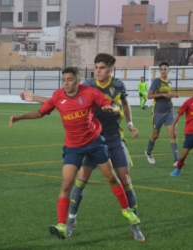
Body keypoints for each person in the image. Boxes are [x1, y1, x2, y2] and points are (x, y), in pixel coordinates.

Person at [21, 53, 144, 242]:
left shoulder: (118, 85)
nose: (98, 71)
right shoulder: (87, 85)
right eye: (96, 67)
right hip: (90, 139)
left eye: (101, 67)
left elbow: (124, 105)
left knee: (124, 180)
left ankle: (134, 226)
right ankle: (70, 221)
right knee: (80, 180)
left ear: (110, 69)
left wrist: (129, 123)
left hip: (113, 138)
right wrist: (34, 98)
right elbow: (60, 99)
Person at [145, 62, 179, 166]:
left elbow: (168, 95)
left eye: (165, 69)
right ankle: (148, 152)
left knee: (172, 134)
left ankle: (176, 161)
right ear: (160, 71)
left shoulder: (170, 82)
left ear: (168, 71)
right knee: (155, 135)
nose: (163, 71)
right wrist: (163, 94)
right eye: (162, 69)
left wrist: (173, 95)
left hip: (169, 111)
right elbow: (149, 96)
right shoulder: (156, 81)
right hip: (158, 112)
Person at [169, 79, 193, 177]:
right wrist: (172, 126)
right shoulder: (188, 102)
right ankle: (178, 169)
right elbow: (178, 114)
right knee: (183, 155)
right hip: (191, 132)